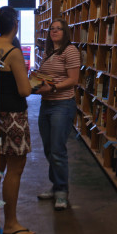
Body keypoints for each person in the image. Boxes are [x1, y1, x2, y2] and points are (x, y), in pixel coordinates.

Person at [0, 6, 36, 234]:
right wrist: (36, 84)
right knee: (15, 170)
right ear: (15, 24)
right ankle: (11, 223)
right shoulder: (13, 52)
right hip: (14, 116)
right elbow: (24, 89)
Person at [36, 18, 80, 210]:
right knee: (48, 148)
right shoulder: (48, 51)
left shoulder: (70, 51)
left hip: (62, 105)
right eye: (52, 29)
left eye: (59, 29)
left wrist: (52, 88)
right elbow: (48, 75)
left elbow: (73, 80)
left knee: (57, 149)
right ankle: (55, 187)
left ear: (65, 32)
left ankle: (62, 191)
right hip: (46, 105)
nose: (54, 31)